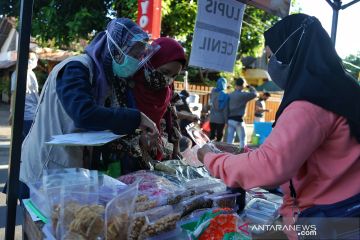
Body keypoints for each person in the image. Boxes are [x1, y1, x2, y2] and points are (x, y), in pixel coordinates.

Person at [198, 14, 360, 239]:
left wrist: (210, 159)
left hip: (320, 222)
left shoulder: (309, 103)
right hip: (347, 213)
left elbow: (270, 168)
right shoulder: (343, 88)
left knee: (253, 234)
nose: (270, 64)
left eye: (271, 56)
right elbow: (299, 153)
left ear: (290, 54)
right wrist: (241, 152)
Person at [18, 18, 159, 197]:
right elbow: (84, 114)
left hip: (67, 169)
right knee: (39, 221)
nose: (137, 61)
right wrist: (136, 117)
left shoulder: (106, 78)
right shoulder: (76, 68)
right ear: (116, 49)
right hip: (45, 167)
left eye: (140, 56)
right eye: (134, 54)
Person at [8, 51, 39, 140]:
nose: (31, 61)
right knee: (24, 143)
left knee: (28, 142)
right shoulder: (19, 73)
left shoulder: (31, 73)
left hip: (32, 114)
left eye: (33, 59)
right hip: (25, 115)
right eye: (29, 59)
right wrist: (12, 113)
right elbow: (14, 94)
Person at [226, 78, 257, 148]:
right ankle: (243, 153)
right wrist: (249, 87)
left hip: (230, 119)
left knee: (230, 140)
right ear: (243, 85)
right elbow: (255, 94)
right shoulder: (243, 95)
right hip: (238, 120)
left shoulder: (230, 95)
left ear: (236, 85)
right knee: (243, 139)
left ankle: (227, 153)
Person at [209, 77, 228, 142]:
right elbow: (225, 109)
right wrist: (226, 120)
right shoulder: (225, 95)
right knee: (219, 137)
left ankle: (210, 148)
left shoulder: (213, 92)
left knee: (212, 135)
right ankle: (218, 150)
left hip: (212, 118)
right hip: (220, 119)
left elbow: (210, 103)